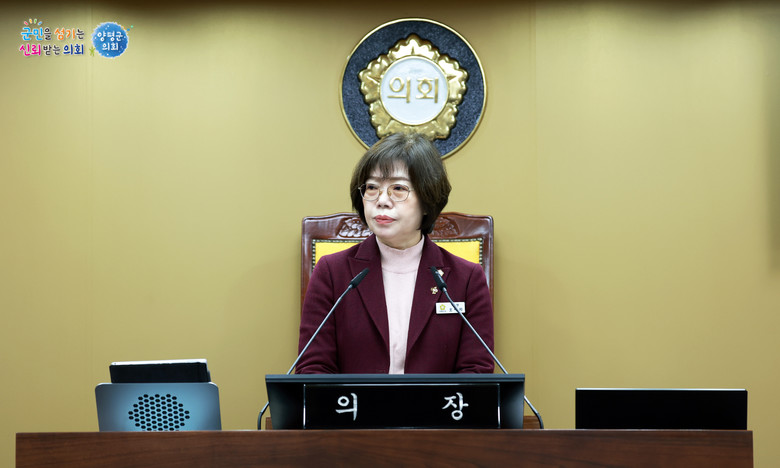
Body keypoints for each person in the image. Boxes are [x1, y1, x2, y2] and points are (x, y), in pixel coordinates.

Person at [296, 133, 494, 374]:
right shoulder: (332, 273)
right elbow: (313, 369)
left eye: (398, 188)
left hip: (439, 401)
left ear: (428, 199)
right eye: (372, 187)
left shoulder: (466, 279)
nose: (381, 201)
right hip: (352, 400)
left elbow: (476, 371)